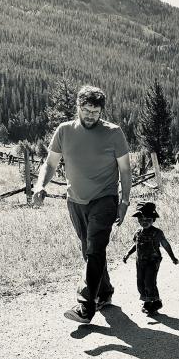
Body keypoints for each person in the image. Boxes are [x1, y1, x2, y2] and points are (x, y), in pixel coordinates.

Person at [32, 85, 132, 324]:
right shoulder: (64, 131)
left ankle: (85, 307)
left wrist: (125, 200)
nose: (90, 116)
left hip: (105, 198)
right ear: (78, 107)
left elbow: (125, 170)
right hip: (75, 200)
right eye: (86, 110)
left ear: (101, 112)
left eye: (95, 112)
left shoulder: (113, 133)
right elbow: (50, 163)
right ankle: (104, 292)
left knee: (95, 248)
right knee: (90, 249)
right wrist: (40, 185)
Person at [123, 201, 179, 314]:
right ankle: (147, 301)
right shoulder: (138, 233)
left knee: (149, 281)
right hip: (140, 262)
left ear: (154, 219)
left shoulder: (157, 233)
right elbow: (136, 244)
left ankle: (156, 301)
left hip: (153, 261)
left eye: (148, 219)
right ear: (138, 220)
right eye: (141, 219)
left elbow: (165, 245)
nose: (144, 222)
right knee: (140, 282)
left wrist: (173, 257)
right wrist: (128, 254)